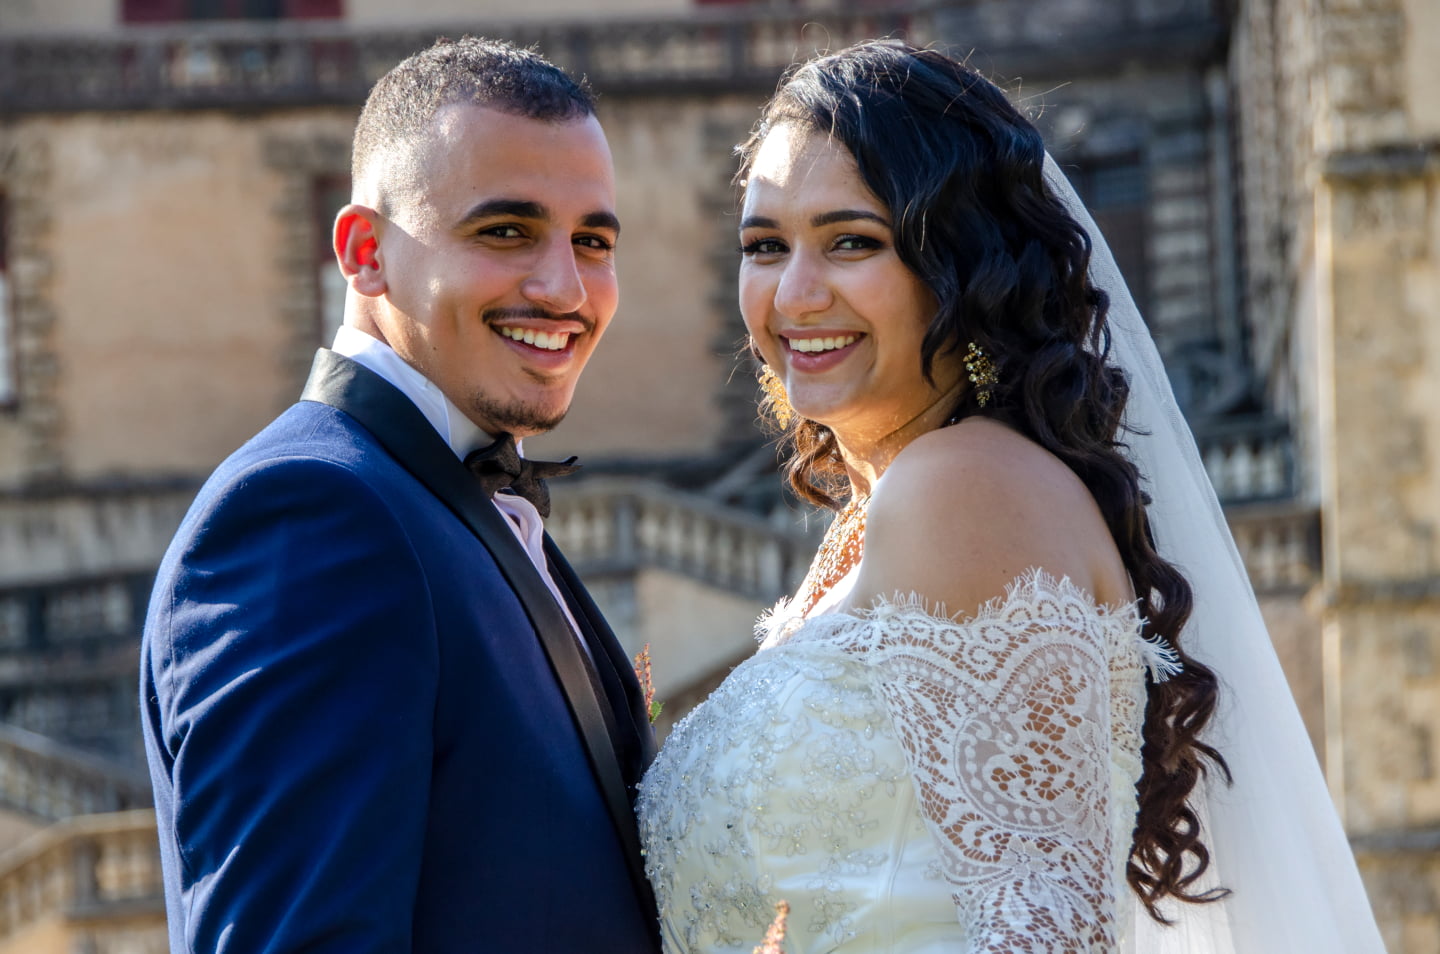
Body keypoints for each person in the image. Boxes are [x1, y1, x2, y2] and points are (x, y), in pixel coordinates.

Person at [637, 41, 1385, 953]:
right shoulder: (878, 520)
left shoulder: (966, 490)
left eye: (853, 242)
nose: (795, 293)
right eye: (765, 246)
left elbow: (1045, 935)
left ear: (961, 266)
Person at [140, 37, 660, 952]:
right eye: (506, 231)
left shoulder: (441, 496)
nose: (565, 288)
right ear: (364, 252)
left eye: (593, 241)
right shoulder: (311, 518)